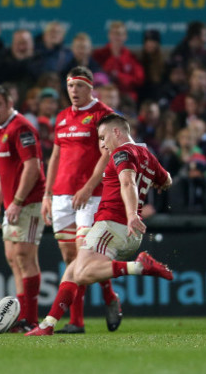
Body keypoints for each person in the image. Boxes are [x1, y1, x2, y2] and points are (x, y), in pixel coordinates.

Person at [26, 114, 174, 336]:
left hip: (113, 224)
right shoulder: (147, 156)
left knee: (83, 273)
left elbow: (127, 182)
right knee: (73, 271)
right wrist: (155, 184)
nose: (103, 144)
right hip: (128, 233)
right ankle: (48, 324)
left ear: (117, 132)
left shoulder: (122, 152)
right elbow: (167, 180)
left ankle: (139, 266)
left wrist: (132, 213)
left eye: (104, 137)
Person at [40, 66, 120, 334]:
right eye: (70, 86)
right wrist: (47, 194)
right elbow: (55, 157)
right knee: (70, 257)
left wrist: (88, 187)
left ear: (91, 88)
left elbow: (107, 154)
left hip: (90, 196)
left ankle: (76, 322)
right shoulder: (62, 117)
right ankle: (108, 295)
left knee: (83, 258)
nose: (74, 91)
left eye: (79, 86)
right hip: (61, 195)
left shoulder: (103, 115)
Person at [0, 85, 46, 332]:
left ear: (10, 102)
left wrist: (18, 201)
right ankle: (23, 319)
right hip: (12, 205)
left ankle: (31, 320)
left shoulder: (21, 127)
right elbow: (4, 172)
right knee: (13, 258)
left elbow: (32, 167)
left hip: (29, 202)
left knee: (24, 256)